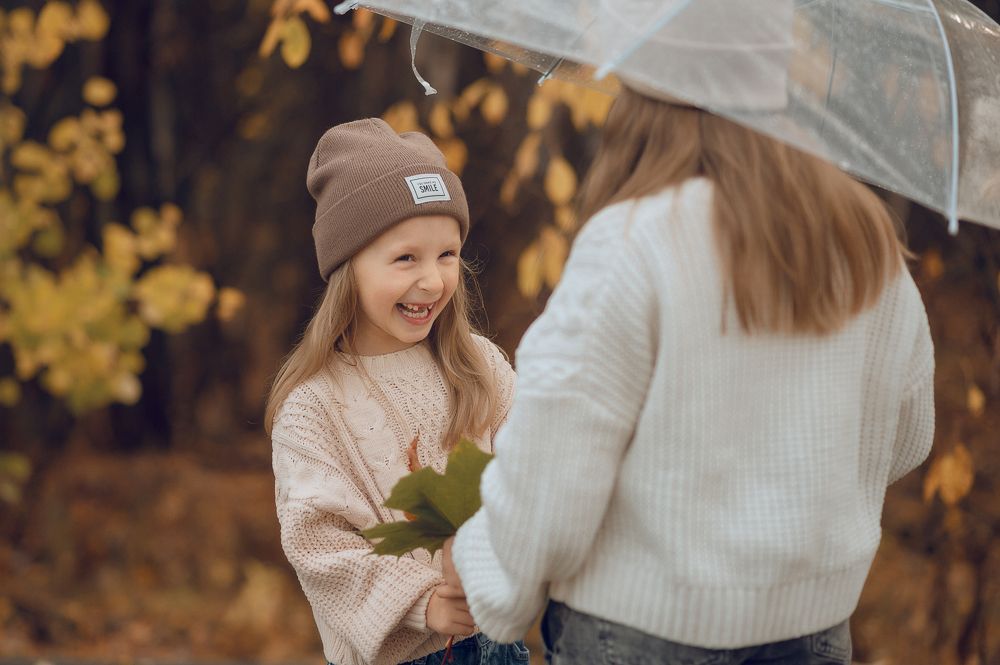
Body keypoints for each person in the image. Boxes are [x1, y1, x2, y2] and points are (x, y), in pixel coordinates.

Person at [442, 21, 935, 665]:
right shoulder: (862, 238)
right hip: (813, 634)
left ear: (647, 106)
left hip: (639, 633)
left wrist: (483, 570)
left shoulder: (634, 242)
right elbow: (908, 437)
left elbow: (555, 466)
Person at [265, 118, 527, 665]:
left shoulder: (477, 365)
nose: (432, 281)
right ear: (347, 267)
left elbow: (532, 471)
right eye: (406, 258)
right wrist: (423, 601)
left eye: (447, 254)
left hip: (496, 640)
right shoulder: (313, 408)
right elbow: (321, 546)